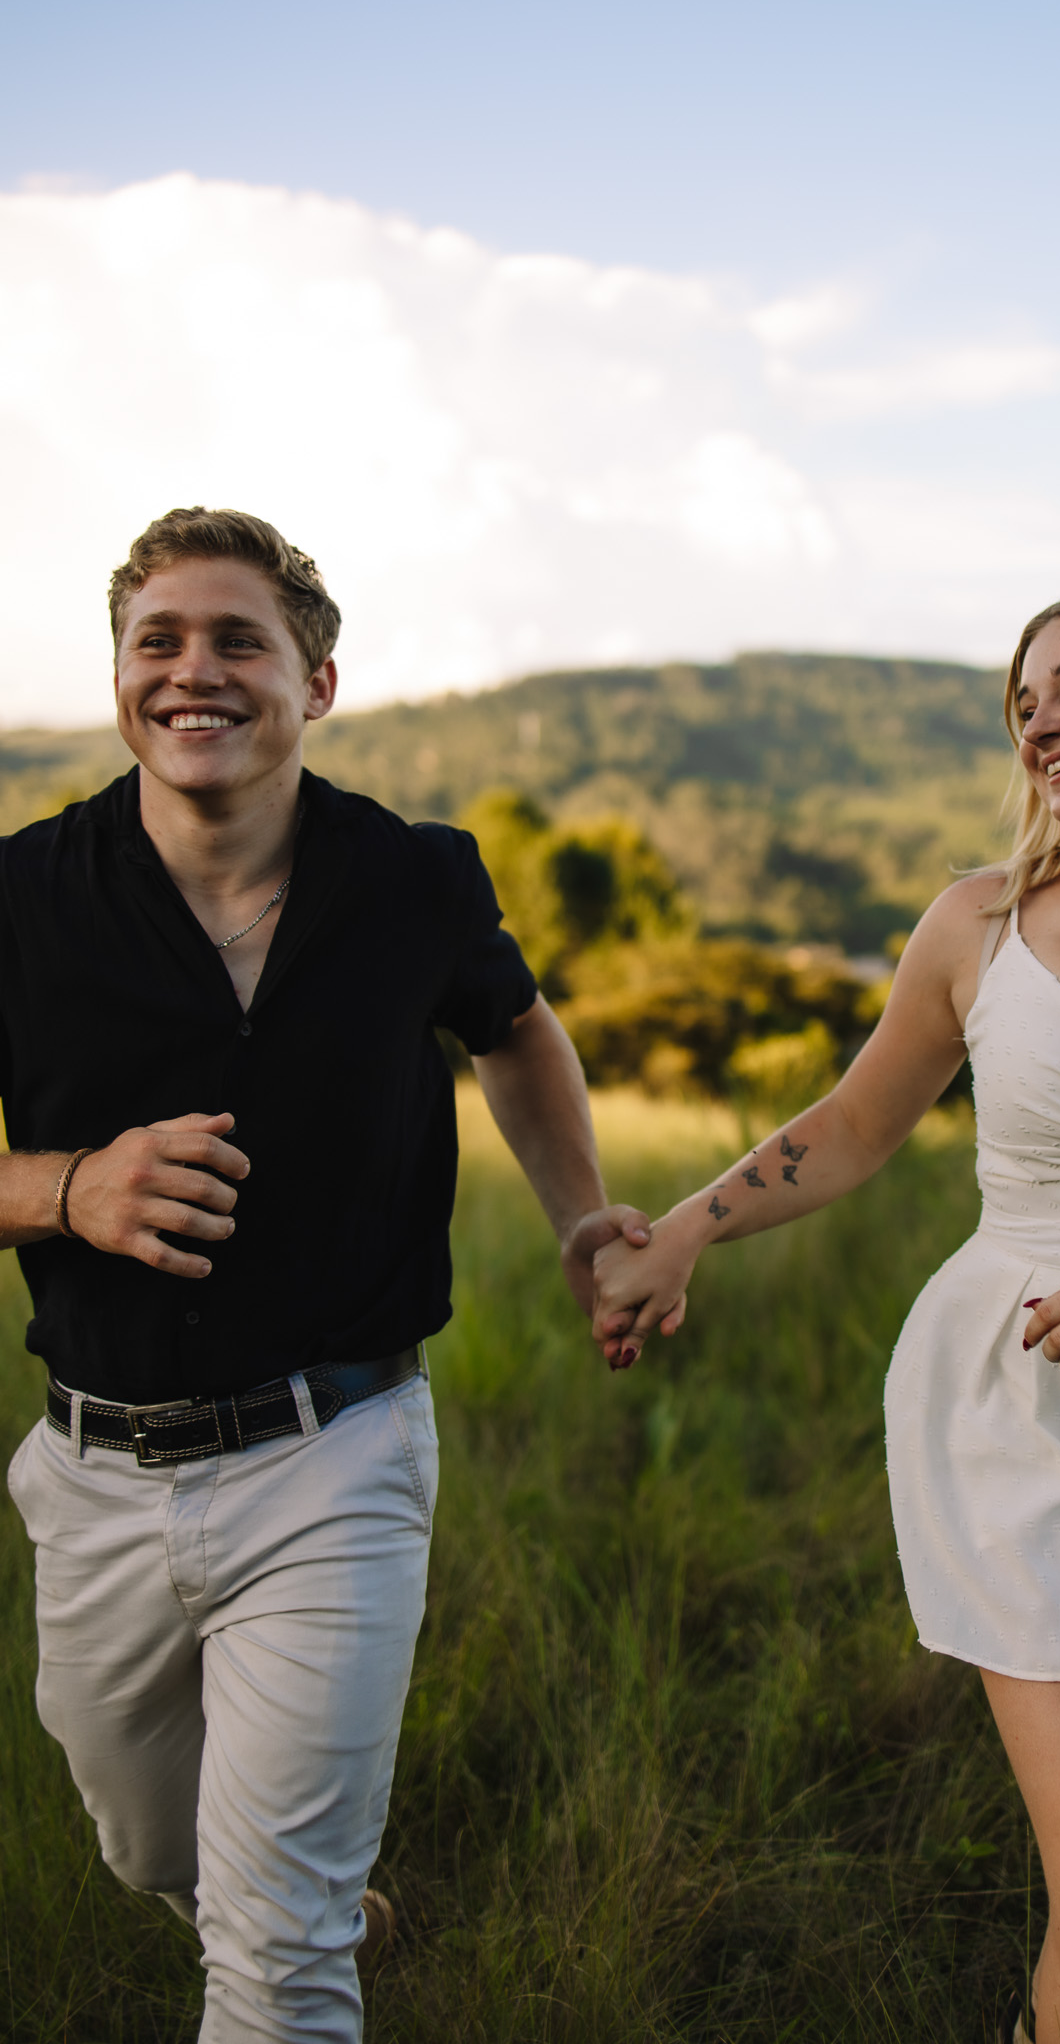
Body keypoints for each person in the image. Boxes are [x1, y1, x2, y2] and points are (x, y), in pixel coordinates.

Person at [590, 582, 1060, 2044]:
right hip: (1018, 1400)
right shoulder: (978, 922)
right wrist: (682, 1233)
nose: (1039, 722)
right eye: (1021, 705)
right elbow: (858, 1122)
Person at [0, 506, 647, 2043]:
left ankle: (295, 1917)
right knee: (149, 1849)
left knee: (277, 1966)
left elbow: (517, 1031)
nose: (192, 672)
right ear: (119, 676)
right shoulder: (19, 895)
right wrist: (64, 1187)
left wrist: (579, 1218)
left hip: (335, 1452)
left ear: (321, 682)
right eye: (157, 640)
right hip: (94, 1474)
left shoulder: (414, 880)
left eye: (239, 641)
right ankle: (286, 1885)